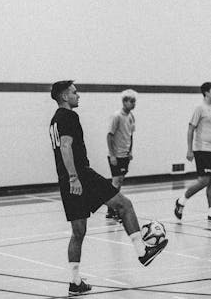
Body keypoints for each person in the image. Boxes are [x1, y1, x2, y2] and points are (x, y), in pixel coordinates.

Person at [50, 80, 168, 295]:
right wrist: (75, 177)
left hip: (65, 178)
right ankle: (143, 252)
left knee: (78, 232)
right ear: (65, 96)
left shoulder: (54, 120)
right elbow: (66, 147)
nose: (79, 95)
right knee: (124, 204)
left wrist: (69, 179)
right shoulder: (68, 116)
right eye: (75, 92)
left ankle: (75, 282)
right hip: (80, 175)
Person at [174, 82, 211, 221]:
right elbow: (191, 129)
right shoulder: (199, 108)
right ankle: (181, 201)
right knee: (204, 180)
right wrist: (189, 149)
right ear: (206, 92)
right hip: (202, 149)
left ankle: (210, 212)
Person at [106, 89, 137, 221]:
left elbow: (130, 135)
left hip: (125, 154)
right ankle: (111, 209)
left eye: (134, 101)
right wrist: (112, 155)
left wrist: (130, 151)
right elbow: (109, 135)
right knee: (116, 181)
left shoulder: (131, 116)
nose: (133, 104)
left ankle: (113, 206)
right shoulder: (117, 116)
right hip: (116, 155)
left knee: (120, 181)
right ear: (124, 102)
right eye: (131, 101)